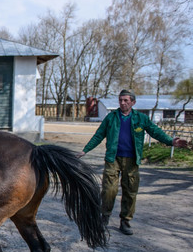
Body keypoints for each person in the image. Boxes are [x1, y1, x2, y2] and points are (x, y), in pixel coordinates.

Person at [78, 90, 187, 235]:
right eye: (121, 100)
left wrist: (172, 141)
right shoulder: (111, 117)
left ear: (133, 102)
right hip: (113, 159)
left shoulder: (140, 118)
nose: (123, 103)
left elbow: (155, 131)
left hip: (132, 161)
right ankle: (104, 217)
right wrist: (85, 150)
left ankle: (125, 221)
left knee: (130, 191)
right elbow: (98, 135)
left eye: (126, 100)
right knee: (109, 190)